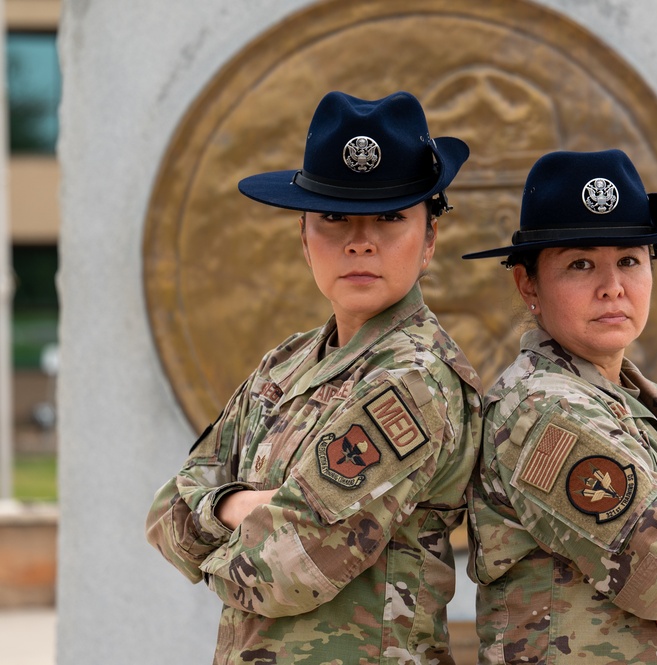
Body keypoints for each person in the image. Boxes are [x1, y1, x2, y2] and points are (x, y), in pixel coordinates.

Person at [145, 90, 482, 665]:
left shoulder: (417, 380)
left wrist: (222, 524)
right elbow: (164, 515)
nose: (359, 240)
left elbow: (287, 569)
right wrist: (235, 506)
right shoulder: (288, 363)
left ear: (429, 241)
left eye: (390, 217)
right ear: (303, 239)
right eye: (332, 216)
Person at [461, 149, 657, 664]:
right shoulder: (540, 412)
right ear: (528, 285)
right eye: (580, 264)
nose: (613, 287)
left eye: (629, 260)